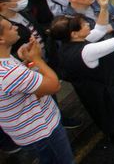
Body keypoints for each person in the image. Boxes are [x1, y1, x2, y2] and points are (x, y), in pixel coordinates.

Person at [50, 0, 114, 164]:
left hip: (98, 97)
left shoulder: (69, 46)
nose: (88, 24)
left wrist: (103, 8)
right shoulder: (85, 50)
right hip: (109, 98)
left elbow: (100, 29)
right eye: (83, 24)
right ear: (74, 33)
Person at [0, 19, 71, 164]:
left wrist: (25, 62)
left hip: (26, 132)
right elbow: (54, 86)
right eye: (10, 27)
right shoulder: (8, 72)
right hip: (43, 131)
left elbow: (15, 85)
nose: (15, 27)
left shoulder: (6, 62)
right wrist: (37, 59)